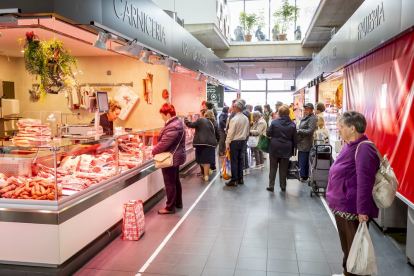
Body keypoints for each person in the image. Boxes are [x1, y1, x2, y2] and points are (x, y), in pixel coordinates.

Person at [326, 111, 380, 276]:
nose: (339, 129)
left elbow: (365, 182)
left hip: (352, 208)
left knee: (354, 248)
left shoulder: (364, 148)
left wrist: (363, 210)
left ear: (353, 128)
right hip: (342, 205)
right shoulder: (349, 145)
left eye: (341, 126)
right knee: (347, 246)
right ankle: (346, 272)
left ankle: (352, 274)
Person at [152, 103, 186, 214]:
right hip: (175, 156)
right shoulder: (177, 122)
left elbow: (164, 144)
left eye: (162, 115)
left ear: (167, 114)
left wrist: (152, 151)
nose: (162, 117)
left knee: (169, 183)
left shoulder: (172, 126)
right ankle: (178, 203)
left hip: (170, 157)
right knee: (175, 181)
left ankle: (170, 207)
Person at [185, 110, 219, 181]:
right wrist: (217, 141)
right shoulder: (214, 122)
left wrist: (185, 119)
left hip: (201, 142)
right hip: (211, 143)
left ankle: (206, 173)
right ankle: (206, 174)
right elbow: (217, 134)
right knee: (207, 160)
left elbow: (191, 125)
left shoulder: (201, 120)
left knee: (199, 159)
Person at [225, 100, 249, 186]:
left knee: (234, 161)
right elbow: (247, 131)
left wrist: (227, 144)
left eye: (233, 107)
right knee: (240, 160)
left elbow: (230, 133)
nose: (232, 108)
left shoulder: (234, 119)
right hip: (243, 141)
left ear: (237, 108)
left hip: (234, 142)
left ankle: (234, 179)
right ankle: (240, 178)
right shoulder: (245, 118)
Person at [297, 103, 317, 181]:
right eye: (305, 109)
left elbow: (310, 131)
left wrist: (299, 131)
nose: (305, 110)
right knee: (302, 159)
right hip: (301, 141)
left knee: (304, 159)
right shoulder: (305, 117)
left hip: (306, 142)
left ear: (311, 110)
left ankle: (304, 175)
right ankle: (302, 174)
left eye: (307, 109)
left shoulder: (312, 118)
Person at [238, 99, 252, 175]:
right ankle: (246, 167)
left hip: (243, 134)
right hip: (246, 133)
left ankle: (243, 168)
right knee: (244, 151)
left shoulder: (243, 113)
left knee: (242, 152)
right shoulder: (247, 112)